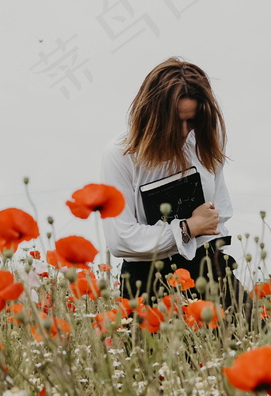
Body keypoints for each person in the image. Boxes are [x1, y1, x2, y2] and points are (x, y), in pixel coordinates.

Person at [99, 57, 242, 308]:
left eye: (192, 120)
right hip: (146, 281)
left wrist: (204, 226)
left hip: (209, 264)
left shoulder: (208, 136)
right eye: (177, 121)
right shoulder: (119, 154)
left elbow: (219, 209)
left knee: (259, 344)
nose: (185, 130)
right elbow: (120, 239)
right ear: (152, 116)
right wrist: (188, 228)